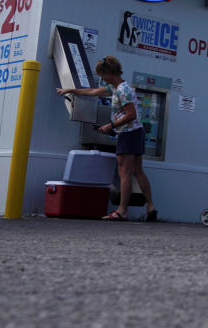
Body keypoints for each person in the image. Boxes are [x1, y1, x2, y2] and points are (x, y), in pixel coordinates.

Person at [56, 56, 158, 222]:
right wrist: (71, 90)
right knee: (138, 171)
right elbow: (94, 92)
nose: (102, 79)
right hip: (137, 132)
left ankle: (122, 211)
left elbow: (130, 115)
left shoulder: (121, 91)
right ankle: (151, 206)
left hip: (128, 133)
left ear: (110, 73)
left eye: (102, 75)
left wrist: (110, 125)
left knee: (124, 173)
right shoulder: (118, 87)